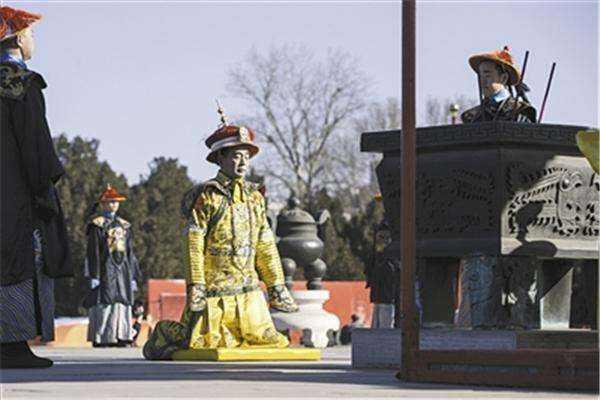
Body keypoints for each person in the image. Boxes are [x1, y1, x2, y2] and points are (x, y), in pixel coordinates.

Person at [143, 105, 298, 360]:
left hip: (248, 292)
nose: (242, 162)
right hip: (214, 292)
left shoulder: (254, 198)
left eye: (246, 156)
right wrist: (197, 286)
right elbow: (193, 243)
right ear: (221, 158)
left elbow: (265, 243)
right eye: (236, 156)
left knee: (267, 341)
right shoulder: (208, 197)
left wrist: (276, 285)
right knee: (200, 341)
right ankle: (162, 334)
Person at [0, 6, 72, 368]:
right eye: (30, 34)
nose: (33, 40)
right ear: (16, 38)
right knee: (17, 262)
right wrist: (45, 183)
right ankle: (12, 342)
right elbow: (35, 145)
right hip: (13, 195)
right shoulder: (20, 84)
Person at [84, 185, 141, 347]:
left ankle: (121, 335)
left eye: (115, 202)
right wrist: (94, 275)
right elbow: (92, 252)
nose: (113, 205)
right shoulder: (97, 225)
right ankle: (103, 336)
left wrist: (133, 276)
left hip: (123, 272)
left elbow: (130, 253)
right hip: (105, 270)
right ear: (103, 204)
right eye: (110, 202)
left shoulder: (124, 226)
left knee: (122, 302)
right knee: (105, 302)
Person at [461, 46, 536, 123]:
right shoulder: (472, 117)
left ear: (503, 78)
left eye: (487, 76)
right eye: (480, 76)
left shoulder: (521, 112)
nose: (482, 82)